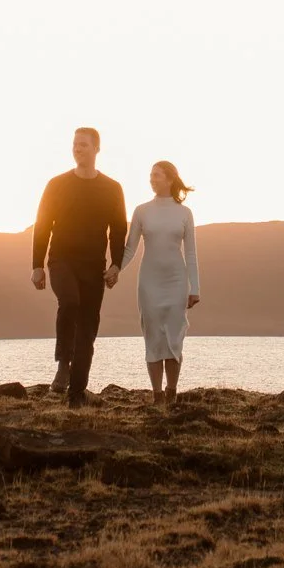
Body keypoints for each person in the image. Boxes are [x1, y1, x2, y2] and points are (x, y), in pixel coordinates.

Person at [30, 126, 127, 407]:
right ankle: (63, 364)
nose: (77, 149)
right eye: (75, 144)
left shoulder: (112, 188)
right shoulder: (57, 184)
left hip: (93, 265)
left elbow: (118, 231)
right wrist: (37, 265)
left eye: (83, 145)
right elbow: (43, 225)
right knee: (70, 302)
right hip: (61, 259)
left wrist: (116, 264)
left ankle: (76, 394)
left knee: (88, 327)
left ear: (97, 149)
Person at [115, 159, 201, 406]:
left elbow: (192, 252)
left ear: (170, 179)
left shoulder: (184, 213)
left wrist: (195, 288)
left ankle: (172, 392)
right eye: (151, 175)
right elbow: (130, 249)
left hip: (176, 281)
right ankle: (157, 395)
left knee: (174, 337)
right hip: (149, 282)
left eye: (157, 175)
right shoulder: (142, 211)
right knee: (152, 335)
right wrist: (114, 269)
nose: (152, 179)